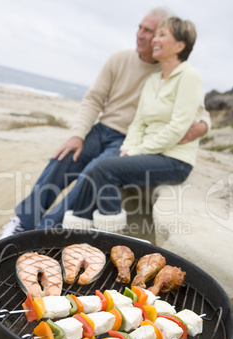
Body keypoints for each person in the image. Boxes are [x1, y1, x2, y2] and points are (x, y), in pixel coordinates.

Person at [0, 7, 210, 240]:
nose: (141, 35)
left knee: (92, 173)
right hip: (102, 130)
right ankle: (22, 222)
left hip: (125, 140)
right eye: (140, 28)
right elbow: (94, 98)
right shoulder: (121, 61)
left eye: (151, 32)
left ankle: (45, 232)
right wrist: (78, 135)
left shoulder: (170, 68)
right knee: (64, 157)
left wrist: (203, 126)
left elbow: (196, 109)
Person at [63, 16, 205, 232]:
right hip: (149, 154)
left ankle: (110, 236)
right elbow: (137, 123)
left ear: (179, 45)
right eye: (155, 35)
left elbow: (178, 128)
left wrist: (137, 151)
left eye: (162, 35)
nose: (155, 40)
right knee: (98, 170)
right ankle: (76, 233)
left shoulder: (189, 75)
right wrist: (127, 149)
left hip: (175, 160)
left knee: (102, 170)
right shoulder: (152, 81)